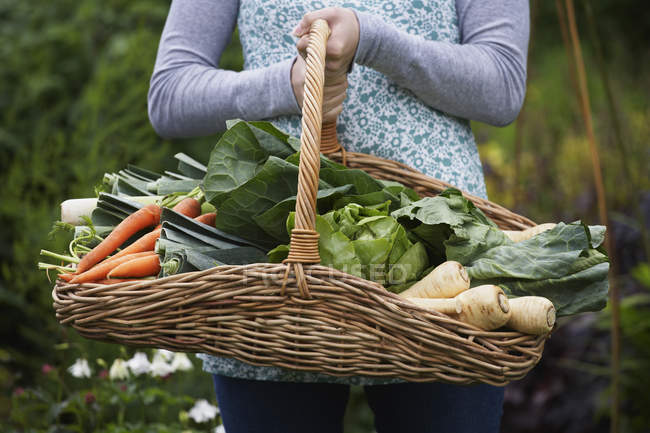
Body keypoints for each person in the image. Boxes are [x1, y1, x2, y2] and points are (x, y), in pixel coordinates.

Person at [148, 1, 530, 432]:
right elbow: (169, 94)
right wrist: (289, 84)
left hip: (446, 267)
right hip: (273, 262)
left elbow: (503, 86)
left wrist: (374, 41)